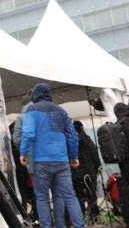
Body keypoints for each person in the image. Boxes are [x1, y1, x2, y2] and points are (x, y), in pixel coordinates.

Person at [19, 83, 84, 228]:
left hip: (41, 161)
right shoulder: (61, 111)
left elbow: (28, 133)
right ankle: (77, 225)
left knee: (42, 198)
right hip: (61, 161)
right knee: (68, 196)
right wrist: (74, 156)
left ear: (35, 95)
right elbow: (72, 135)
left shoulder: (32, 109)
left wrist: (23, 152)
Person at [70, 121, 100, 222]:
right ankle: (93, 216)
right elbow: (94, 153)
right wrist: (97, 166)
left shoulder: (69, 141)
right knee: (91, 194)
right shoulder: (87, 139)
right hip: (89, 171)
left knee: (78, 195)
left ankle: (81, 216)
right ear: (82, 128)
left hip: (75, 173)